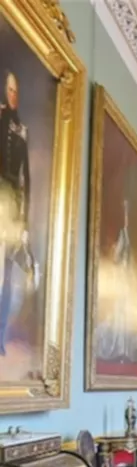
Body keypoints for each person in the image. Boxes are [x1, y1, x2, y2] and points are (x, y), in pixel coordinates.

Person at [0, 71, 34, 357]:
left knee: (7, 276)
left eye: (15, 90)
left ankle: (0, 335)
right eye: (8, 89)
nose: (12, 94)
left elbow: (27, 178)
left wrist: (25, 222)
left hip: (12, 206)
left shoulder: (22, 129)